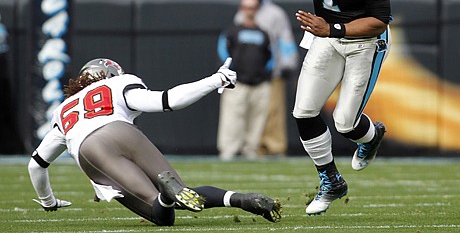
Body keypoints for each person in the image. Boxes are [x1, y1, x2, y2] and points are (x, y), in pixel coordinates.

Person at [255, 0, 398, 215]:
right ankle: (331, 180)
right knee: (303, 111)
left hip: (363, 39)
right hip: (325, 33)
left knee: (345, 123)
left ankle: (372, 135)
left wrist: (331, 29)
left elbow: (378, 21)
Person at [28, 58, 282, 226]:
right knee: (187, 195)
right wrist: (215, 80)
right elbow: (168, 100)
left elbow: (37, 165)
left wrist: (49, 202)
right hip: (125, 132)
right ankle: (243, 199)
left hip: (90, 148)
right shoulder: (119, 84)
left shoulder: (63, 109)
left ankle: (165, 196)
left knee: (162, 214)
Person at [235, 0, 299, 156]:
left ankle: (274, 146)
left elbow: (285, 39)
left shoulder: (275, 13)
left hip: (272, 69)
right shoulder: (242, 13)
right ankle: (256, 146)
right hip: (250, 71)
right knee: (253, 112)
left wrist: (288, 62)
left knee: (273, 110)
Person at [217, 0, 272, 160]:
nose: (250, 11)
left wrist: (266, 73)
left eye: (253, 7)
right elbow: (223, 53)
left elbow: (270, 56)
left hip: (259, 83)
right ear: (241, 9)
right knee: (232, 118)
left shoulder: (263, 33)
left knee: (257, 119)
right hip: (237, 83)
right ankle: (229, 150)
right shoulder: (232, 31)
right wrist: (230, 73)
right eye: (247, 7)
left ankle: (251, 150)